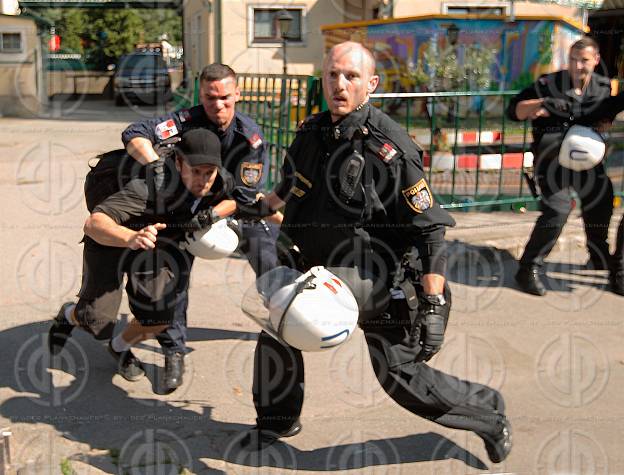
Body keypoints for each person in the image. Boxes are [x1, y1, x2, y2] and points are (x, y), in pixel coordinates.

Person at [239, 41, 512, 464]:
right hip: (316, 267)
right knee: (280, 324)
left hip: (378, 276)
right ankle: (276, 420)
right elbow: (291, 185)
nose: (339, 85)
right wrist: (259, 208)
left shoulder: (391, 147)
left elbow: (431, 230)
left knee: (400, 378)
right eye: (332, 75)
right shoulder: (312, 132)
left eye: (350, 76)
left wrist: (435, 303)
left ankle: (486, 416)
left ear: (372, 83)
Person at [121, 63, 282, 389]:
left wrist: (212, 217)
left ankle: (283, 320)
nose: (218, 105)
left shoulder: (248, 138)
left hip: (230, 208)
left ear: (237, 94)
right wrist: (154, 164)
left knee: (269, 255)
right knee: (174, 282)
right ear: (201, 95)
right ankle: (174, 352)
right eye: (210, 98)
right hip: (182, 209)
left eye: (225, 97)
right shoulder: (184, 123)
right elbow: (134, 132)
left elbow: (246, 194)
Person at [48, 129, 236, 383]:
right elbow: (94, 223)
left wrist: (212, 216)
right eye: (195, 171)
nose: (202, 180)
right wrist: (130, 238)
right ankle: (70, 315)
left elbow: (239, 200)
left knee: (158, 315)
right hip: (115, 235)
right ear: (179, 163)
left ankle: (120, 347)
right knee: (96, 320)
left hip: (154, 238)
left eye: (208, 173)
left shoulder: (218, 179)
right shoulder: (148, 186)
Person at [507, 36, 624, 296]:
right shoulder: (548, 84)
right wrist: (541, 105)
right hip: (552, 161)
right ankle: (527, 268)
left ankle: (597, 254)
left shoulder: (602, 88)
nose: (578, 66)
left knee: (602, 202)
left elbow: (608, 112)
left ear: (595, 61)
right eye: (573, 59)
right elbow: (514, 110)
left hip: (587, 162)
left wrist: (605, 122)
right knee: (557, 211)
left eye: (584, 60)